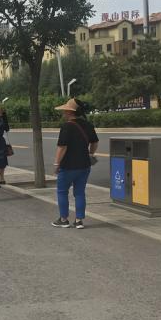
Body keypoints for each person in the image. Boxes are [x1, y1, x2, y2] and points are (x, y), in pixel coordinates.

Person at [52, 98, 99, 230]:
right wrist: (91, 153)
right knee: (79, 193)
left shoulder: (67, 126)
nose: (63, 113)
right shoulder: (88, 125)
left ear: (70, 112)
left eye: (65, 110)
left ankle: (63, 219)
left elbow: (62, 147)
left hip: (68, 166)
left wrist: (56, 164)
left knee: (62, 191)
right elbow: (95, 142)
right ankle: (79, 221)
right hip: (84, 165)